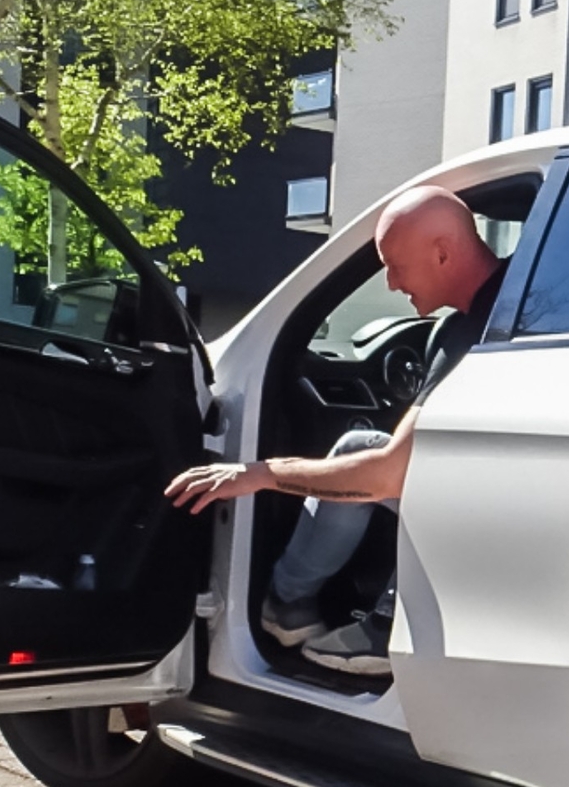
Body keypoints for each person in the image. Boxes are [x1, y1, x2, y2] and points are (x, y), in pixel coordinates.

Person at [164, 185, 509, 679]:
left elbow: (389, 476)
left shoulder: (476, 332)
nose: (391, 283)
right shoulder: (517, 299)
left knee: (395, 469)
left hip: (495, 507)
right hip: (508, 488)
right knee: (358, 447)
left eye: (396, 265)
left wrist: (261, 473)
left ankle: (387, 621)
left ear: (442, 252)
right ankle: (287, 608)